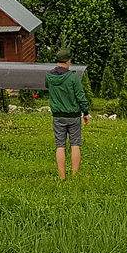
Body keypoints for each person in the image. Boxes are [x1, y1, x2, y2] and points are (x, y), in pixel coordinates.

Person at [45, 49, 90, 180]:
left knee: (60, 145)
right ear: (68, 61)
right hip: (73, 116)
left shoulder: (49, 76)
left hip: (58, 116)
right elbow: (80, 95)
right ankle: (75, 175)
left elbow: (47, 86)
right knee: (75, 144)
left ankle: (62, 176)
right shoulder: (72, 77)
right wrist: (85, 112)